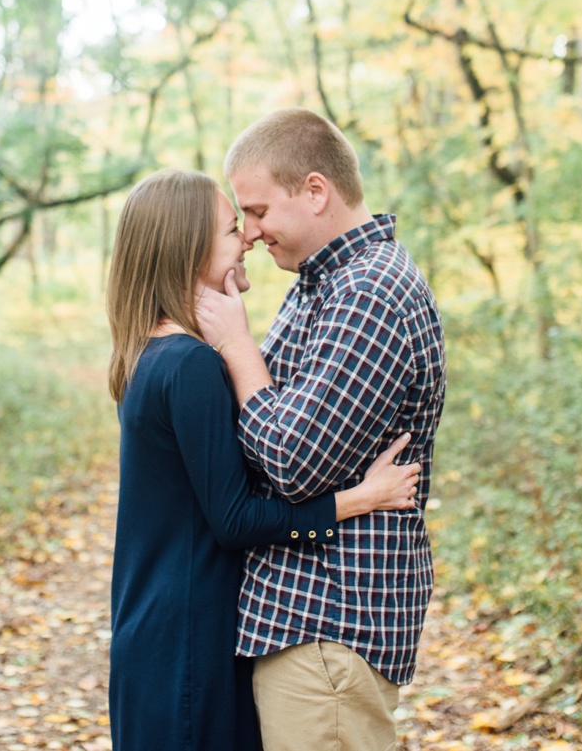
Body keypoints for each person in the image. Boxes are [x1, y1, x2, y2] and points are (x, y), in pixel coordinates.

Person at [105, 168, 422, 751]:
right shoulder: (193, 364)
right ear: (188, 251)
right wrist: (360, 498)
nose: (247, 237)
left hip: (152, 627)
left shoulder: (147, 355)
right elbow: (234, 520)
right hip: (189, 635)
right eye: (232, 229)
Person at [196, 108, 447, 751]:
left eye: (255, 211)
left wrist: (238, 347)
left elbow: (291, 459)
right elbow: (259, 431)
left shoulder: (368, 290)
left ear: (315, 191)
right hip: (305, 618)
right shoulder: (321, 284)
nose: (248, 233)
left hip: (330, 617)